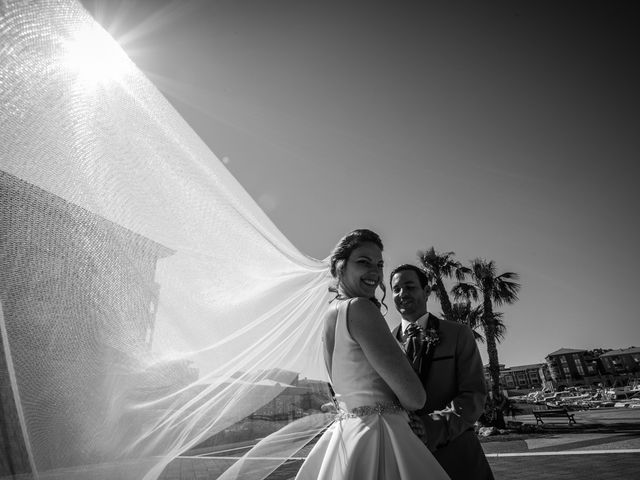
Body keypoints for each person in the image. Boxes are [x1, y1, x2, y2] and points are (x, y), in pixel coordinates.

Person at [295, 230, 449, 480]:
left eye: (378, 264)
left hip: (347, 434)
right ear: (339, 266)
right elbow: (414, 397)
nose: (375, 273)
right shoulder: (360, 308)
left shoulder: (330, 315)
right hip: (381, 434)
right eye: (363, 262)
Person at [390, 264, 495, 480]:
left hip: (455, 455)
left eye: (409, 286)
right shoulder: (385, 344)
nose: (402, 294)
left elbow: (474, 394)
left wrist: (431, 427)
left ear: (427, 291)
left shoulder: (458, 334)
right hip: (401, 457)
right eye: (396, 289)